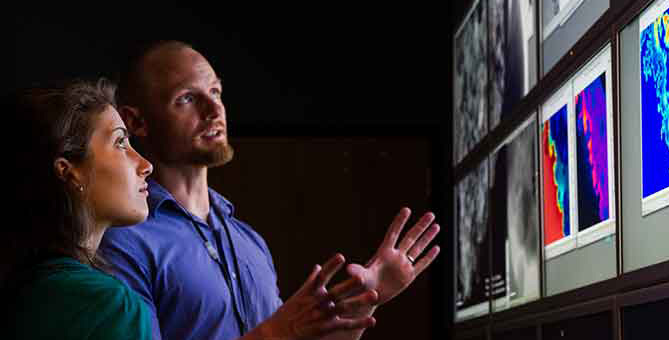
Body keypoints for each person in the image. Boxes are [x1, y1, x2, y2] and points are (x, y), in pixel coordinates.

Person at [100, 40, 441, 340]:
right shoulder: (123, 244)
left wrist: (367, 299)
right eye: (187, 98)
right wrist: (276, 333)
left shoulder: (251, 243)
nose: (214, 109)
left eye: (216, 92)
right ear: (136, 123)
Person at [3, 78, 154, 339]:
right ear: (68, 170)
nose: (145, 165)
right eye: (120, 143)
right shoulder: (110, 306)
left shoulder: (18, 289)